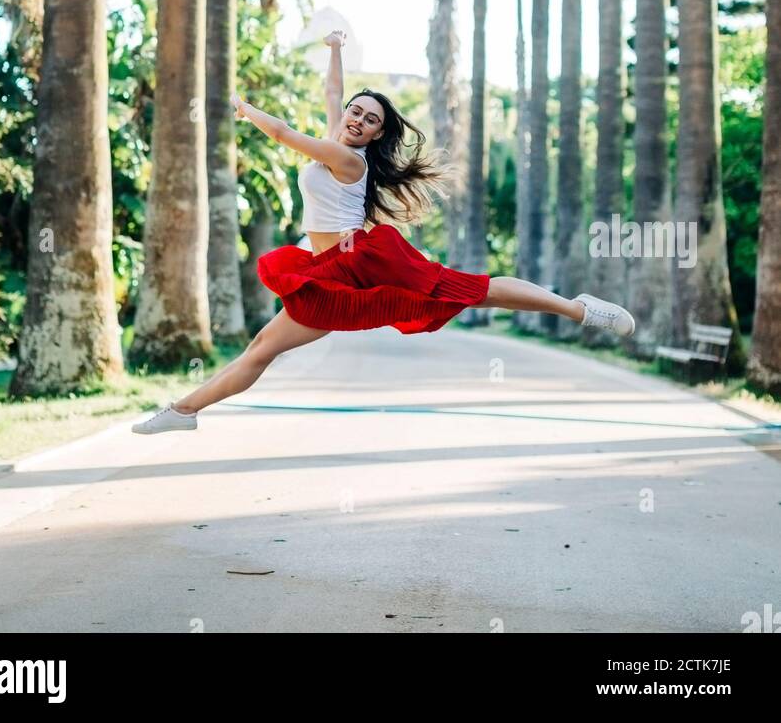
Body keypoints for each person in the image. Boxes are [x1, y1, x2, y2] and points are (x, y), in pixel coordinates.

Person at [133, 30, 634, 434]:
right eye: (356, 111)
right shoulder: (337, 137)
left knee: (475, 291)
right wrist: (334, 50)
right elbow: (333, 93)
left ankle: (579, 308)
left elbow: (284, 133)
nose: (357, 119)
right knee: (262, 347)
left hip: (361, 263)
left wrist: (241, 105)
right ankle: (184, 411)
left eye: (370, 119)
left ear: (376, 135)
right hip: (328, 272)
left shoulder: (348, 157)